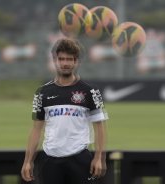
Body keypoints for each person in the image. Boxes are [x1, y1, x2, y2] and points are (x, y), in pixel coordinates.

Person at [21, 38, 108, 184]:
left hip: (79, 158)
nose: (65, 63)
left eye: (69, 59)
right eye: (61, 59)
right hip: (50, 160)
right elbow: (36, 129)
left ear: (76, 62)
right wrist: (28, 161)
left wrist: (99, 158)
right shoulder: (42, 92)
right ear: (55, 61)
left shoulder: (90, 91)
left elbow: (100, 127)